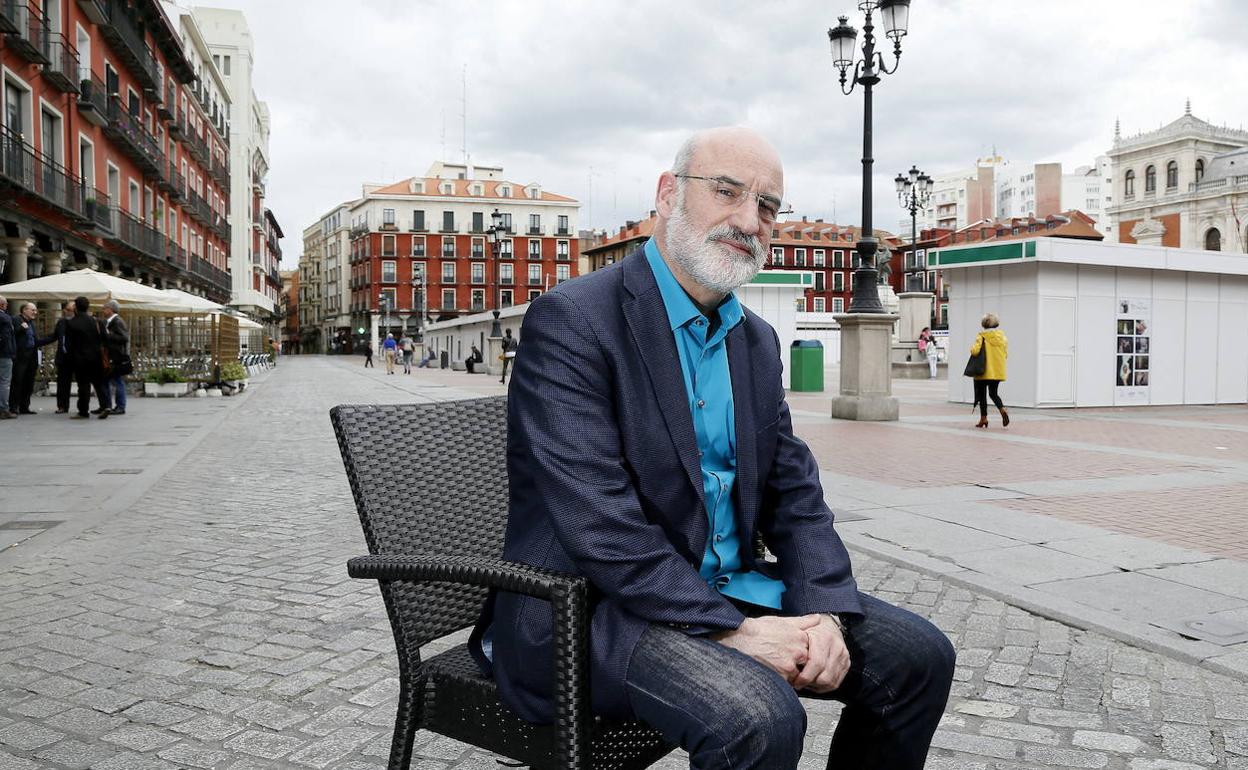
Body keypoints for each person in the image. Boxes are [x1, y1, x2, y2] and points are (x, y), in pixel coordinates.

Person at [472, 127, 955, 770]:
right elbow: (598, 518)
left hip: (725, 589)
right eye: (726, 191)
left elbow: (795, 494)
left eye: (767, 206)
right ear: (668, 194)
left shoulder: (753, 341)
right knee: (757, 714)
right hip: (589, 612)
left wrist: (826, 612)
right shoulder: (575, 321)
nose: (747, 220)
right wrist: (734, 630)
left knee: (920, 657)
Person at [65, 296, 109, 419]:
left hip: (80, 360)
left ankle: (83, 411)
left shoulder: (72, 323)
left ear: (76, 308)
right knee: (99, 384)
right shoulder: (96, 321)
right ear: (88, 306)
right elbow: (105, 339)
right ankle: (105, 406)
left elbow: (69, 344)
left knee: (83, 386)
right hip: (96, 358)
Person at [9, 302, 57, 415]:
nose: (35, 312)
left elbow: (35, 342)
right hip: (20, 357)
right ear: (24, 310)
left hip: (31, 357)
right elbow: (10, 335)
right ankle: (13, 407)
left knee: (28, 383)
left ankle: (24, 407)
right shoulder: (15, 320)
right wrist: (20, 328)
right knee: (17, 383)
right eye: (33, 310)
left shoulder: (31, 324)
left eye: (35, 310)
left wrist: (53, 337)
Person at [970, 313, 1009, 429]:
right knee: (993, 393)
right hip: (997, 371)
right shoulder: (1002, 337)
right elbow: (1005, 354)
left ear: (984, 324)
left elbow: (975, 351)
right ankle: (1002, 409)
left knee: (982, 395)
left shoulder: (981, 336)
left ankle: (984, 418)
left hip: (983, 370)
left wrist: (971, 349)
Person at [99, 300, 130, 416]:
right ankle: (107, 405)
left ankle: (120, 406)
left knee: (117, 381)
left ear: (110, 309)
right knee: (107, 380)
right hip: (110, 356)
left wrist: (108, 335)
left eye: (104, 308)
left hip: (116, 356)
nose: (103, 311)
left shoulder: (117, 321)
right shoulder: (110, 321)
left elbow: (124, 337)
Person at [52, 301, 74, 414]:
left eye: (71, 310)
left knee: (82, 383)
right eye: (67, 309)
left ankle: (83, 407)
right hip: (63, 357)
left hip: (76, 358)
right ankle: (62, 406)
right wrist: (37, 342)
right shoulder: (61, 322)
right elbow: (54, 336)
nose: (68, 312)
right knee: (62, 383)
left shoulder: (78, 322)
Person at [0, 296, 14, 419]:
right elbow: (5, 337)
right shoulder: (5, 318)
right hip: (4, 354)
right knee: (4, 382)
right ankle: (3, 409)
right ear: (3, 305)